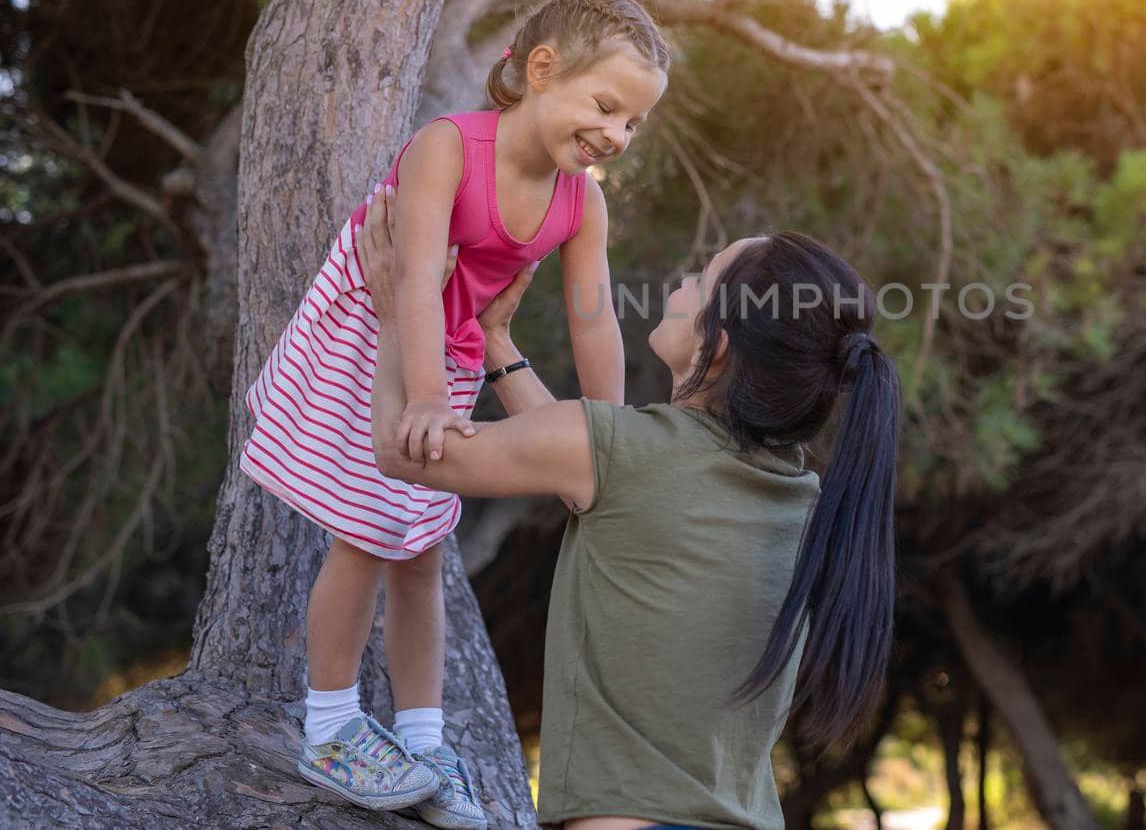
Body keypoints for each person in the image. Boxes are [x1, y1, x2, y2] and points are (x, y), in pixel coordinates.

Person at [238, 0, 670, 828]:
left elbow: (593, 320)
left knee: (422, 552)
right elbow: (409, 279)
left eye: (633, 126)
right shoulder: (448, 149)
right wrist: (428, 396)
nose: (616, 136)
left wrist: (612, 433)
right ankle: (328, 730)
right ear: (542, 70)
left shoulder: (584, 201)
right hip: (372, 333)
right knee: (365, 534)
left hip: (452, 349)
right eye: (608, 107)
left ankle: (424, 741)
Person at [358, 185, 900, 830]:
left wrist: (398, 310)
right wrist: (495, 343)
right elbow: (587, 470)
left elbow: (402, 452)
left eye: (703, 278)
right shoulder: (797, 495)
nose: (683, 280)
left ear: (717, 345)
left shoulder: (626, 453)